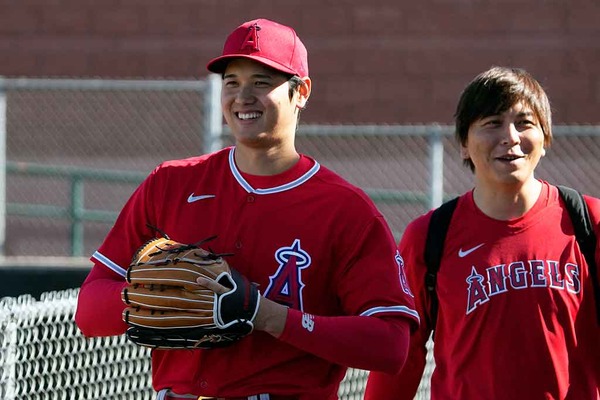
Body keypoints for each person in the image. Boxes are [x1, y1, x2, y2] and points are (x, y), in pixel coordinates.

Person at [75, 18, 419, 400]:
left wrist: (268, 316)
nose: (242, 97)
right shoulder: (171, 183)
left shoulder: (345, 209)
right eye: (232, 82)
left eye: (261, 82)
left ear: (301, 92)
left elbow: (390, 344)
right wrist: (153, 296)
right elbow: (88, 312)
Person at [364, 66, 600, 399]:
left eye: (525, 123)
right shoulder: (430, 235)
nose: (511, 137)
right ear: (463, 144)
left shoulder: (588, 222)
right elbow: (403, 351)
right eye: (492, 123)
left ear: (545, 140)